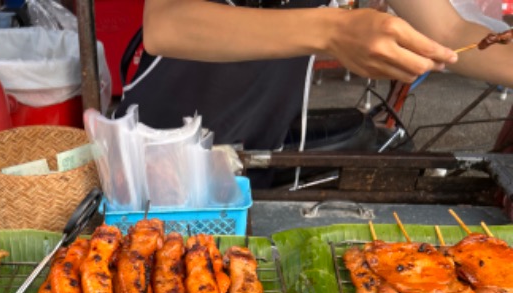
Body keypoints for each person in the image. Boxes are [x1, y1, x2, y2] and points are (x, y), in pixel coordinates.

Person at [115, 0, 513, 170]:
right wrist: (332, 28)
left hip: (259, 147)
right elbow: (167, 22)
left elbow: (451, 28)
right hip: (162, 145)